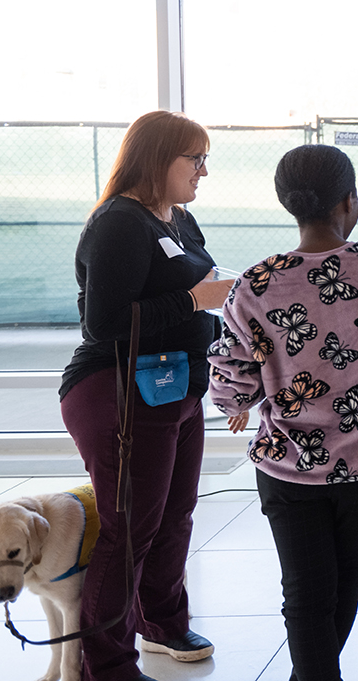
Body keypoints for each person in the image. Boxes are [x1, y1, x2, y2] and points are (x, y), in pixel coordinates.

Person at [208, 144, 358, 681]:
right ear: (350, 202)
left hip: (286, 464)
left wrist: (245, 398)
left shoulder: (255, 284)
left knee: (305, 591)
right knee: (346, 578)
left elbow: (231, 388)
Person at [59, 110, 235, 681]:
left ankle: (161, 622)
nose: (204, 172)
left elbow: (199, 285)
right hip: (116, 390)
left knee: (175, 516)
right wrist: (195, 302)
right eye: (195, 159)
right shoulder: (118, 223)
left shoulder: (178, 220)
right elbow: (104, 324)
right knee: (129, 529)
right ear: (158, 159)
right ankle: (106, 664)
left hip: (174, 389)